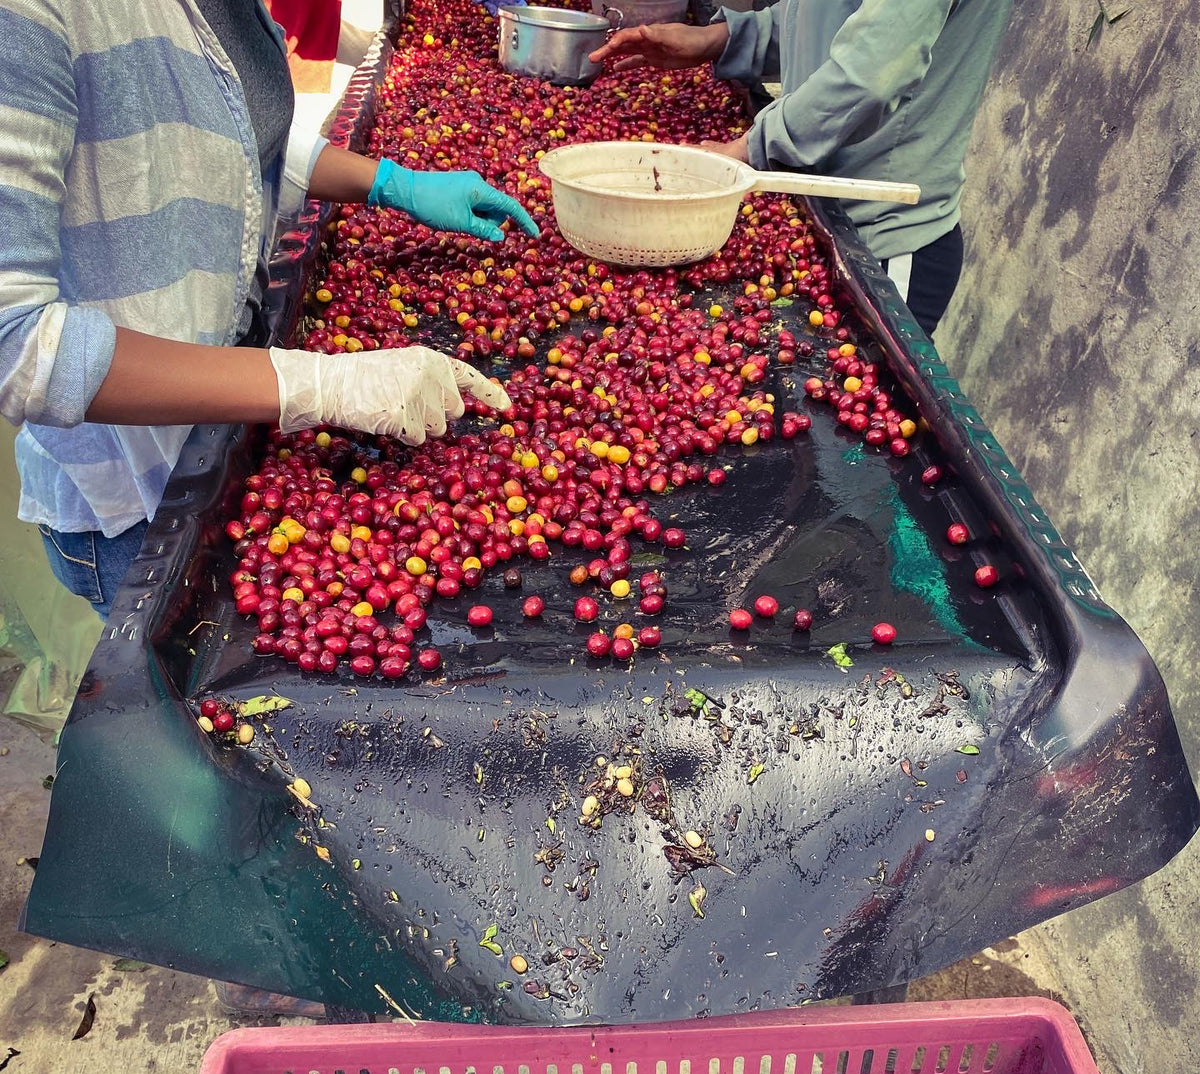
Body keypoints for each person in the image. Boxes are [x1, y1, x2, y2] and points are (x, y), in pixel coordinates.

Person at [0, 1, 538, 618]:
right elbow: (16, 344)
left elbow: (231, 132)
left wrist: (391, 183)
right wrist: (318, 382)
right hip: (137, 494)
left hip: (230, 407)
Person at [591, 0, 1012, 338]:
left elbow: (870, 76)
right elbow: (826, 18)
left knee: (860, 410)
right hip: (817, 211)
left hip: (879, 234)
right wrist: (721, 38)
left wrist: (746, 149)